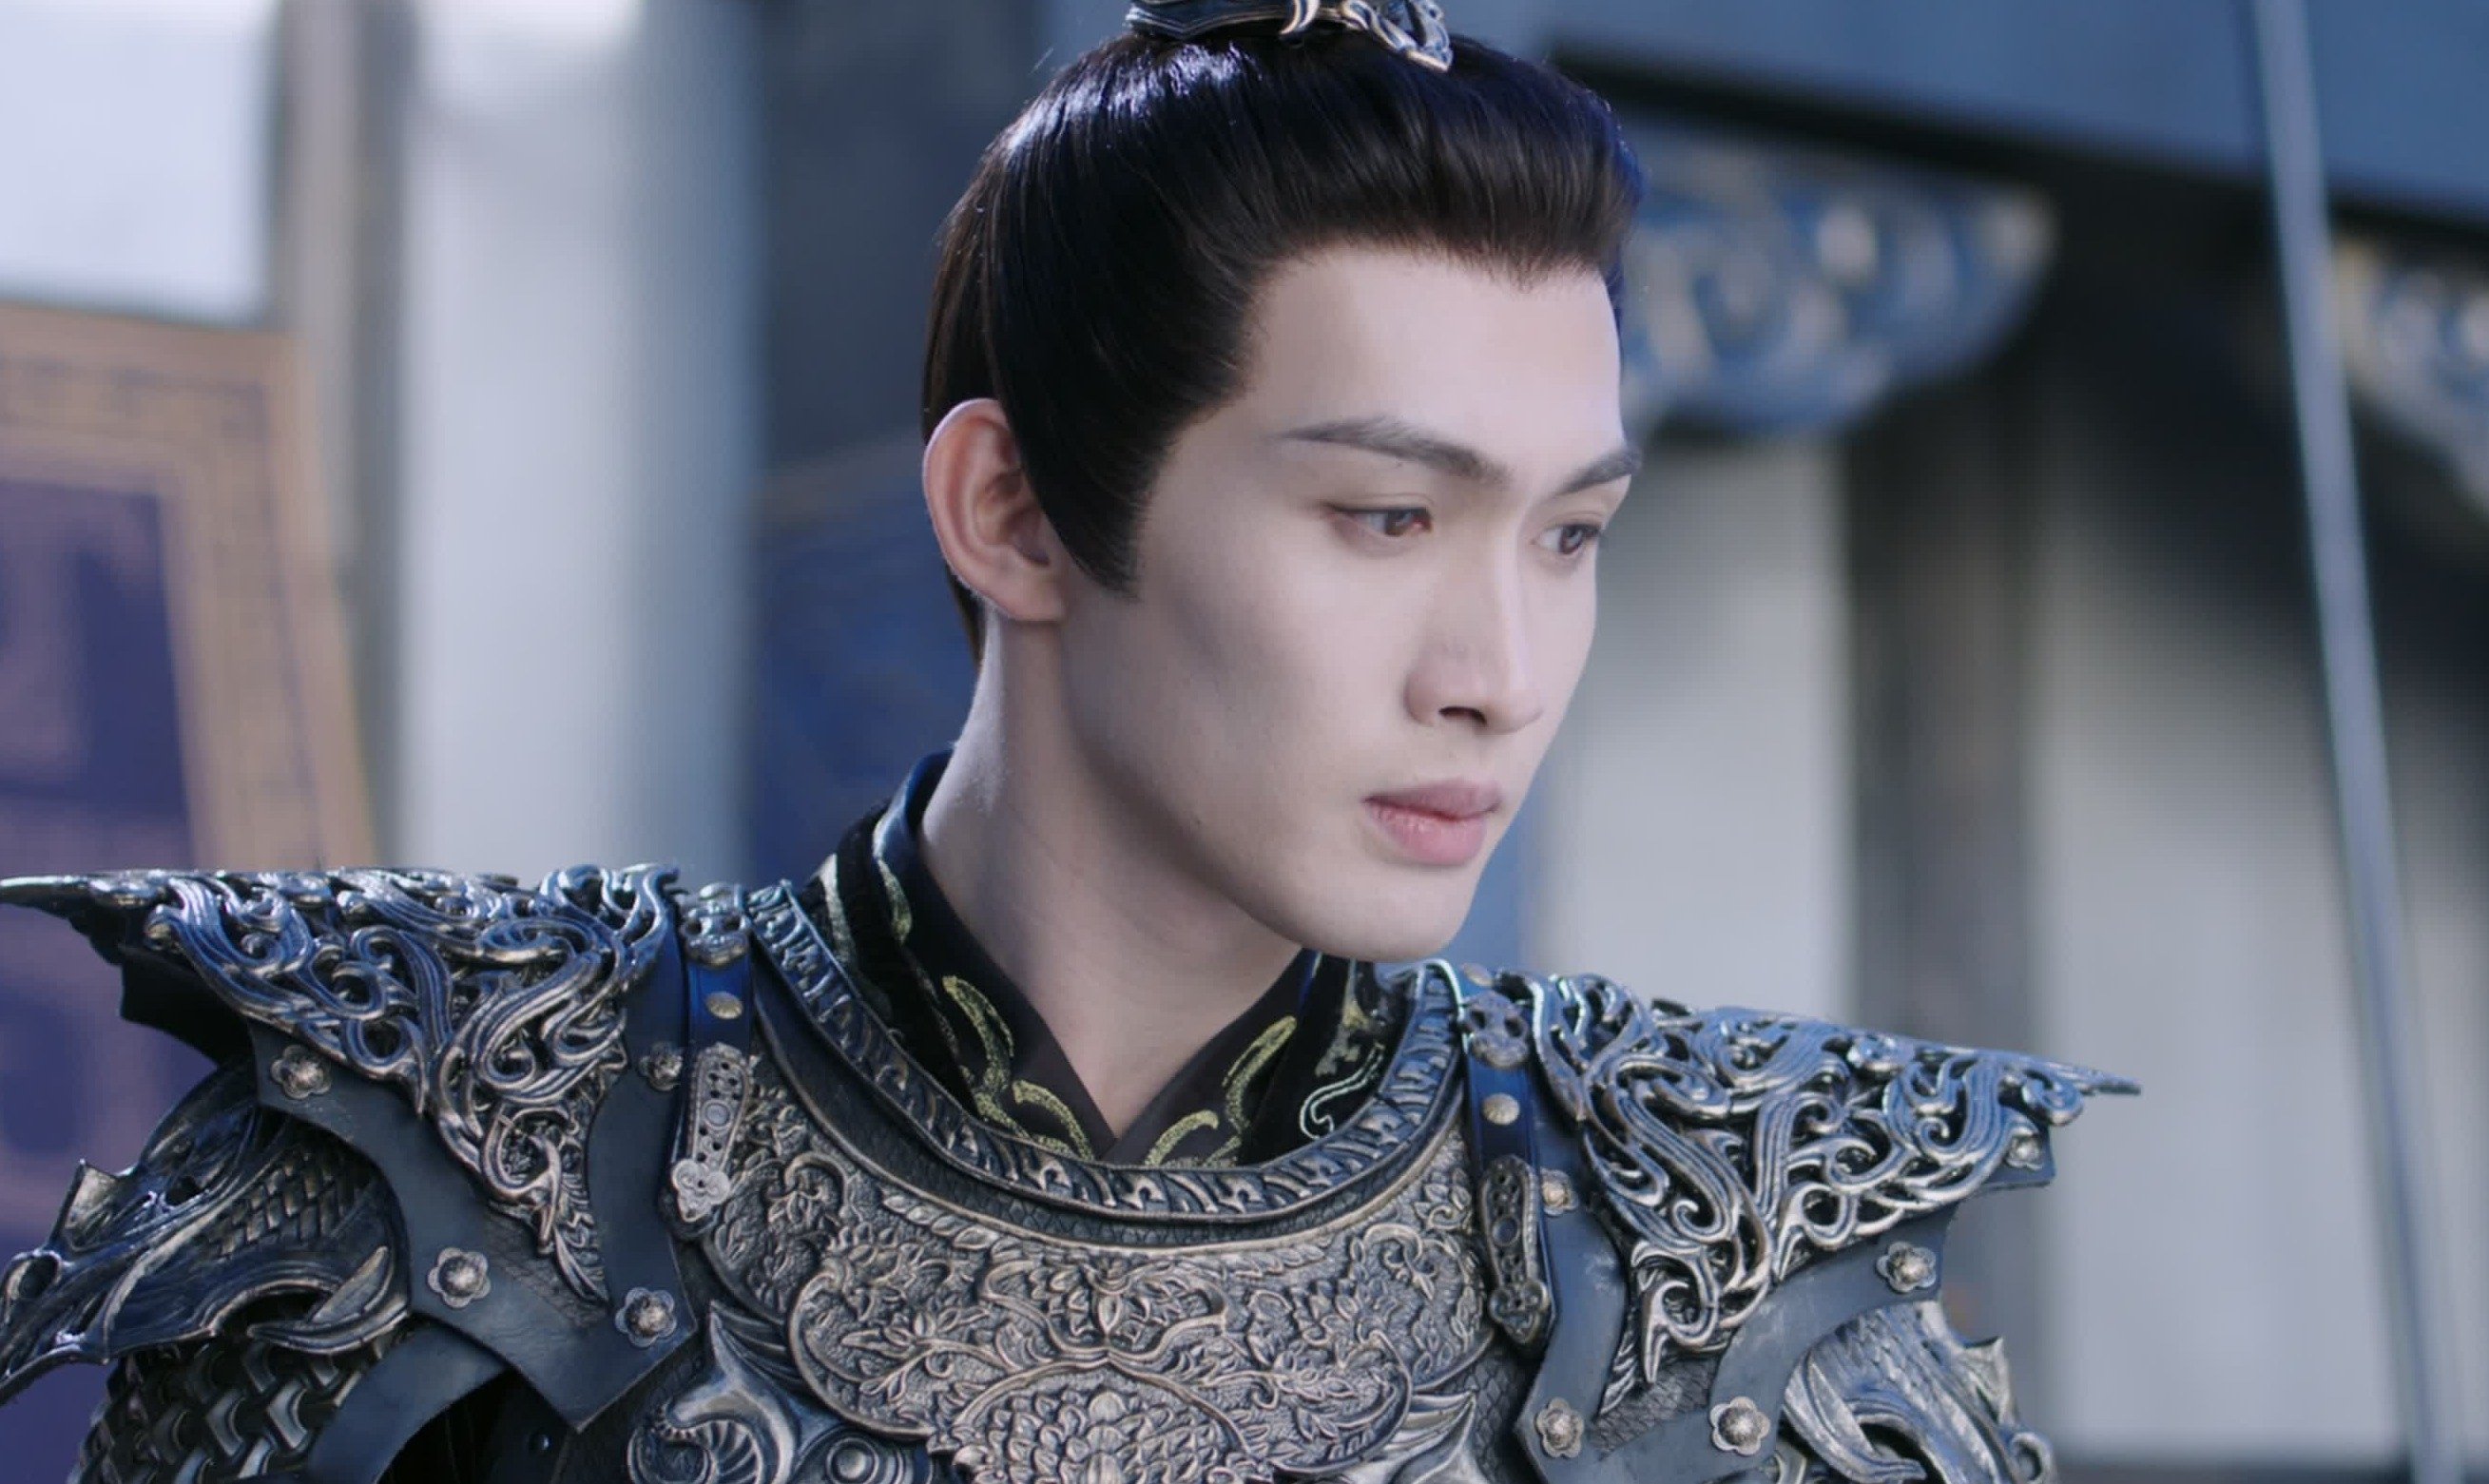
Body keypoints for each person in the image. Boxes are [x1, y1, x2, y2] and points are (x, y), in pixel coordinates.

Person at [0, 2, 2129, 1479]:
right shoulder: (451, 1142)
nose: (1500, 668)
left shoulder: (1722, 1261)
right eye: (1384, 518)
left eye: (1567, 534)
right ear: (1011, 511)